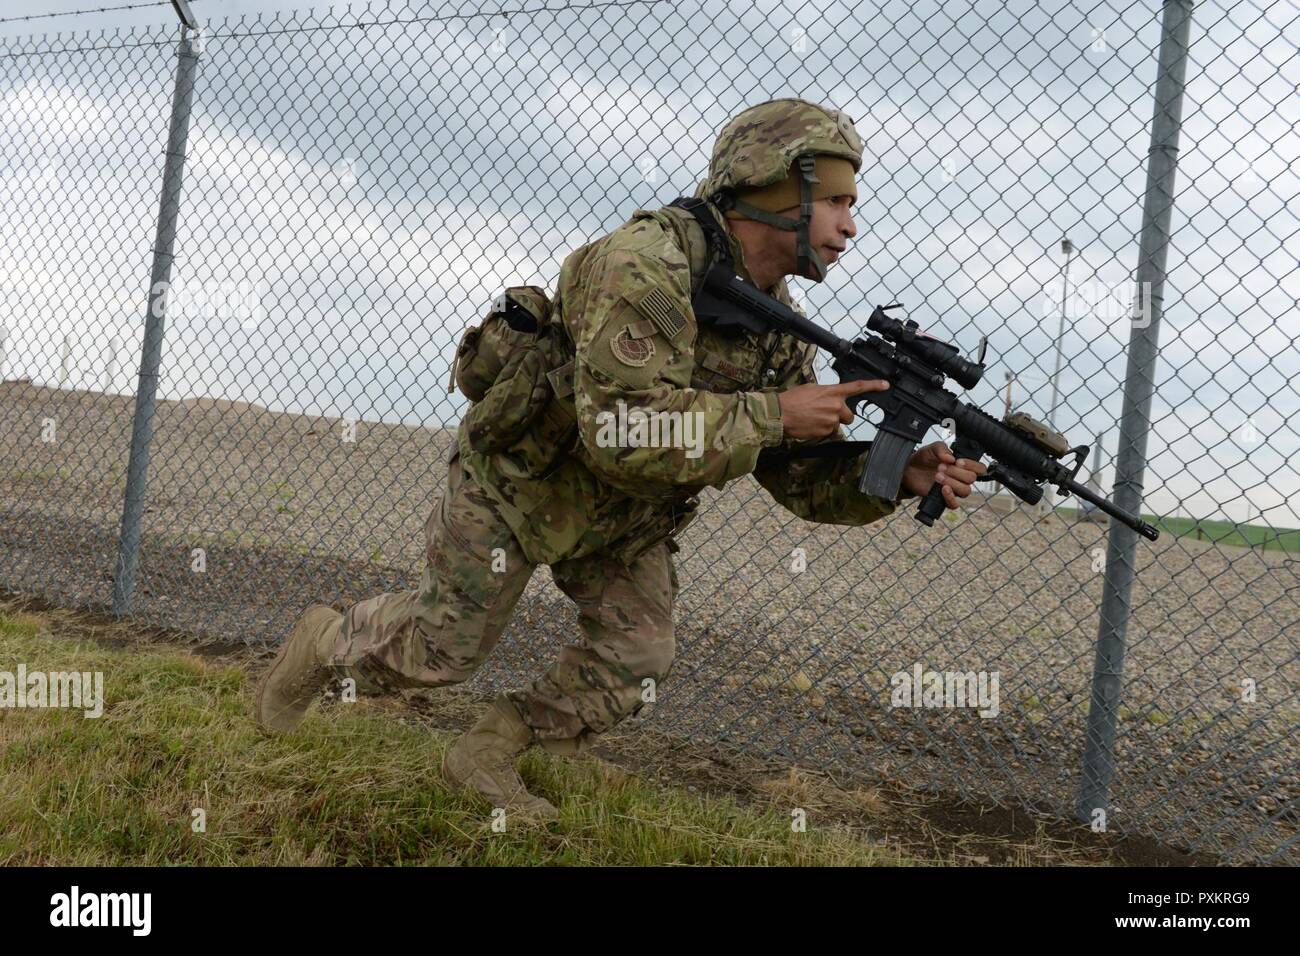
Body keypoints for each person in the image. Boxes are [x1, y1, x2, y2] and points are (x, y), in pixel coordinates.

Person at [254, 97, 987, 822]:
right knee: (435, 657)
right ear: (773, 188)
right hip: (520, 484)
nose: (850, 225)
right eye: (835, 201)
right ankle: (328, 639)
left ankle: (489, 749)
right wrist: (772, 414)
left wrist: (897, 478)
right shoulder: (644, 267)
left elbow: (797, 479)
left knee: (639, 655)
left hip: (621, 520)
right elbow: (622, 433)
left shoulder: (778, 330)